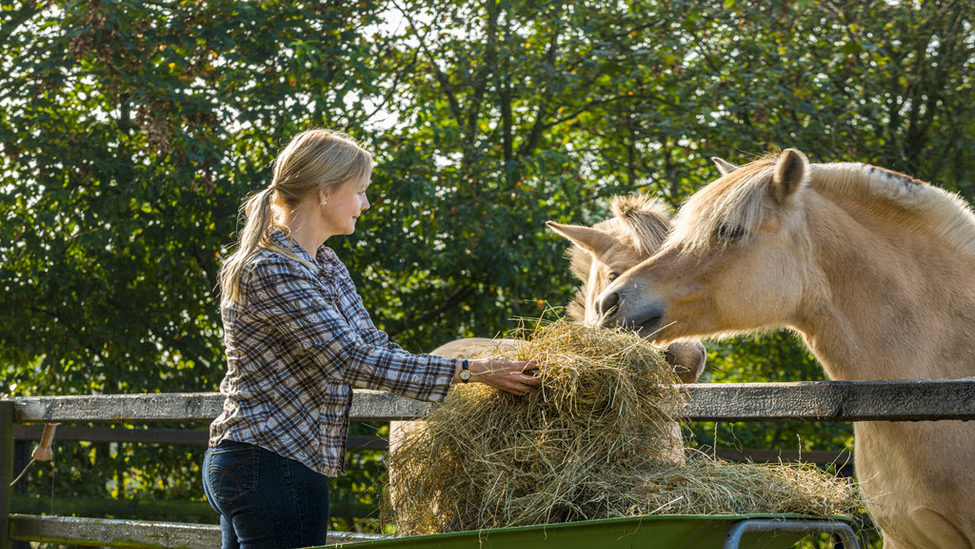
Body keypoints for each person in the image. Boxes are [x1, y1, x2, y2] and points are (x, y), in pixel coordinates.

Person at [203, 129, 540, 549]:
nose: (366, 204)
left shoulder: (323, 262)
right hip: (271, 463)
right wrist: (469, 371)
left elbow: (373, 345)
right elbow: (349, 359)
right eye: (360, 191)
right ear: (325, 192)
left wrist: (471, 377)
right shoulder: (273, 268)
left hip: (270, 463)